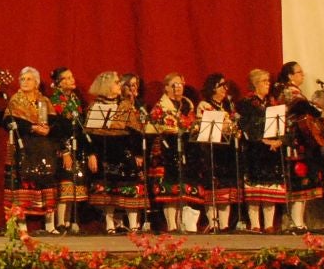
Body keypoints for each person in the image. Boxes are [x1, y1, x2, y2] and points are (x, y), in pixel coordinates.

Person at [86, 71, 147, 232]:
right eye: (116, 82)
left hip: (124, 150)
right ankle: (110, 223)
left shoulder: (125, 105)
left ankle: (133, 224)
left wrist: (138, 154)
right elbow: (88, 134)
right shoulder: (94, 106)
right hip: (103, 150)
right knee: (107, 188)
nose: (119, 85)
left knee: (130, 186)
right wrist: (91, 154)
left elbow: (136, 131)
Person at [1, 67, 57, 231]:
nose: (24, 82)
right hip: (22, 145)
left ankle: (50, 225)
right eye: (22, 79)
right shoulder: (15, 100)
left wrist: (49, 129)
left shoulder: (44, 101)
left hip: (43, 146)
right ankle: (21, 224)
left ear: (36, 83)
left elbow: (54, 120)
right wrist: (32, 127)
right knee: (21, 183)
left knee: (46, 181)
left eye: (29, 79)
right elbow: (8, 122)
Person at [147, 73, 200, 232]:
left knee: (182, 187)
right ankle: (171, 225)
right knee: (169, 188)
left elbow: (192, 123)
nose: (178, 87)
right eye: (174, 85)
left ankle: (181, 222)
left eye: (180, 84)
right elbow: (155, 127)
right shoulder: (160, 106)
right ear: (166, 88)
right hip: (166, 150)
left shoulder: (187, 104)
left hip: (184, 148)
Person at [277, 62, 324, 232]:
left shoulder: (296, 92)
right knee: (299, 178)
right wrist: (318, 111)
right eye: (299, 72)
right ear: (290, 76)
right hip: (293, 141)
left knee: (305, 180)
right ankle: (296, 222)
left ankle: (300, 221)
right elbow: (303, 106)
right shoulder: (289, 91)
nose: (302, 75)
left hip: (302, 141)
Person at [239, 68, 288, 230]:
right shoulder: (246, 103)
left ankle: (269, 225)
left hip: (272, 151)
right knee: (255, 188)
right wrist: (263, 141)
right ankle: (255, 224)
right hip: (254, 150)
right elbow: (245, 127)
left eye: (268, 81)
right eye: (264, 81)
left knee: (270, 188)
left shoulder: (273, 103)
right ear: (255, 84)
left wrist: (279, 141)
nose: (268, 84)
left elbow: (282, 125)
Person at [194, 73, 242, 231]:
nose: (225, 89)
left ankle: (225, 224)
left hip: (225, 152)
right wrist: (227, 126)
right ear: (213, 88)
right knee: (212, 187)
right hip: (210, 150)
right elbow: (204, 126)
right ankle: (213, 223)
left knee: (225, 189)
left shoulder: (226, 106)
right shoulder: (205, 105)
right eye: (221, 85)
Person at [47, 68, 90, 233]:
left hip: (76, 145)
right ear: (59, 82)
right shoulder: (54, 100)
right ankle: (60, 222)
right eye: (68, 78)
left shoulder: (74, 99)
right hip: (62, 146)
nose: (72, 80)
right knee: (64, 182)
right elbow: (56, 128)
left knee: (74, 183)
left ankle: (69, 221)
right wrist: (64, 150)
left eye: (72, 76)